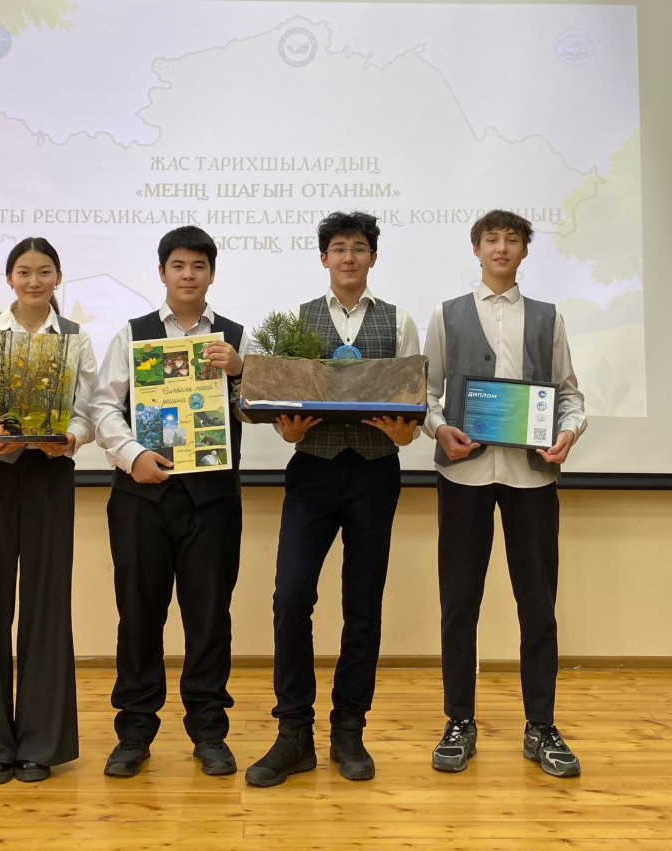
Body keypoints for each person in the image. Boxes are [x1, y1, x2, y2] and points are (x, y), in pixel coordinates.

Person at [245, 211, 421, 787]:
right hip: (313, 472)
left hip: (376, 472)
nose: (349, 257)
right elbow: (284, 400)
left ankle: (349, 730)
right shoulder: (298, 321)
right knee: (291, 597)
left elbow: (413, 399)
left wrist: (405, 435)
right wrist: (287, 430)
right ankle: (293, 732)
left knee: (362, 606)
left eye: (359, 248)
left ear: (373, 258)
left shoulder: (399, 321)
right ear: (324, 258)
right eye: (339, 248)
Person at [424, 209, 587, 777]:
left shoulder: (548, 317)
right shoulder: (446, 314)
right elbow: (427, 393)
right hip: (462, 475)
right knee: (459, 604)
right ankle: (458, 721)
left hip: (531, 477)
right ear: (476, 249)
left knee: (537, 605)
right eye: (491, 239)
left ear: (524, 251)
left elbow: (569, 394)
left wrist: (567, 433)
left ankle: (541, 726)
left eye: (511, 240)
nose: (501, 247)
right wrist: (439, 429)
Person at [92, 225, 251, 778]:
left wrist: (240, 374)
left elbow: (258, 410)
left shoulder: (235, 338)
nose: (188, 275)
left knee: (209, 618)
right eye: (178, 265)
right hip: (141, 496)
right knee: (139, 615)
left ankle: (209, 732)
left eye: (198, 266)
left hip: (213, 500)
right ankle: (134, 732)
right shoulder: (132, 335)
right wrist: (131, 453)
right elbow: (103, 407)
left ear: (212, 273)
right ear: (162, 273)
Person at [0, 237, 97, 784]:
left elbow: (88, 411)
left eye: (45, 271)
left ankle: (40, 744)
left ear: (59, 278)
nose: (34, 281)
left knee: (47, 604)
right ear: (9, 278)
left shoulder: (75, 337)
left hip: (49, 476)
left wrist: (71, 439)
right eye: (24, 272)